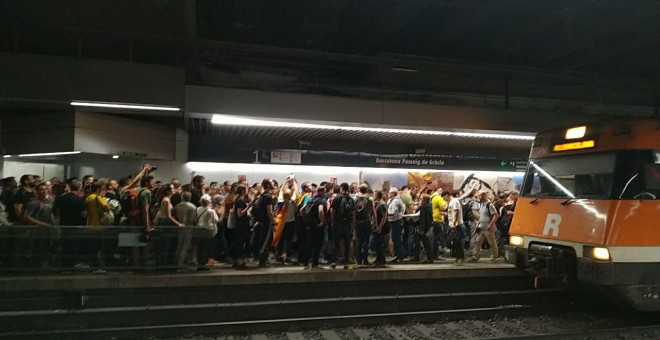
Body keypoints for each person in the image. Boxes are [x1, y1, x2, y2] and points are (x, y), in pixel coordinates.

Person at [154, 184, 184, 269]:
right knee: (165, 244)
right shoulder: (166, 200)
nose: (174, 190)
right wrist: (178, 223)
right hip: (165, 223)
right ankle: (163, 264)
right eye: (172, 188)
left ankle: (161, 264)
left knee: (164, 244)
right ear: (168, 191)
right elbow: (168, 215)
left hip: (163, 222)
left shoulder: (166, 199)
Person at [469, 191, 500, 262]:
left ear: (484, 196)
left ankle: (495, 258)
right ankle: (475, 256)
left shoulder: (489, 205)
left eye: (479, 196)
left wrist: (490, 225)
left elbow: (496, 215)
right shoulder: (481, 205)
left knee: (492, 243)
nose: (478, 197)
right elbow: (482, 216)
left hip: (488, 228)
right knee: (477, 242)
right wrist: (478, 223)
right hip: (481, 227)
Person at [193, 194, 218, 270]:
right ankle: (203, 264)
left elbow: (194, 219)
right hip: (208, 231)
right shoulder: (210, 211)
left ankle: (199, 264)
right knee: (206, 248)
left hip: (199, 231)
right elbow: (216, 220)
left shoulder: (197, 209)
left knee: (200, 248)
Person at [173, 191, 196, 272]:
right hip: (188, 227)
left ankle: (176, 262)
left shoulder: (177, 206)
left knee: (179, 245)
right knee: (184, 247)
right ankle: (180, 265)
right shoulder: (192, 207)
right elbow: (194, 219)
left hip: (179, 227)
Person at [231, 186, 251, 270]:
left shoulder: (238, 199)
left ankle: (236, 261)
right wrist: (248, 207)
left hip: (241, 224)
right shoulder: (240, 201)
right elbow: (239, 214)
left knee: (238, 242)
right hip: (241, 224)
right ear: (243, 191)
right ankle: (239, 262)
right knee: (240, 243)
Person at [354, 184, 374, 266]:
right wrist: (374, 222)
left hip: (357, 222)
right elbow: (372, 211)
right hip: (366, 222)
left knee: (358, 241)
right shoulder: (370, 199)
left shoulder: (355, 198)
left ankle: (358, 260)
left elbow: (353, 212)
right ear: (366, 190)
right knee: (366, 241)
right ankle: (365, 260)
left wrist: (354, 222)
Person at [386, 187, 406, 263]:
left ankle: (401, 254)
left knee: (396, 239)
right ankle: (399, 255)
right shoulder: (395, 200)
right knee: (395, 239)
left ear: (393, 193)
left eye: (390, 192)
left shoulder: (395, 201)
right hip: (396, 221)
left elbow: (394, 212)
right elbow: (403, 207)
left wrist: (385, 214)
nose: (388, 194)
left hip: (396, 221)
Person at [447, 190, 466, 265]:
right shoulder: (453, 201)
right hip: (455, 224)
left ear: (447, 195)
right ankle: (459, 258)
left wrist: (454, 223)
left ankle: (460, 259)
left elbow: (456, 212)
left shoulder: (454, 201)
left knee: (458, 242)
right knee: (456, 242)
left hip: (457, 225)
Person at [371, 190, 389, 266]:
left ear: (377, 195)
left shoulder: (382, 204)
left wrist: (380, 227)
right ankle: (378, 258)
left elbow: (384, 216)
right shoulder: (377, 204)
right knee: (376, 243)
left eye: (374, 194)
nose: (373, 196)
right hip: (376, 225)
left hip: (381, 226)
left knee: (379, 243)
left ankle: (382, 259)